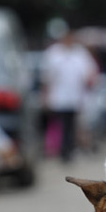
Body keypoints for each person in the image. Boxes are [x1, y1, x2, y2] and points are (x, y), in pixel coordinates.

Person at [40, 28, 98, 163]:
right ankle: (63, 151)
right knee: (61, 124)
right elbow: (46, 77)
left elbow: (89, 73)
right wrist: (45, 95)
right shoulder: (53, 54)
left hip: (75, 96)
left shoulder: (80, 53)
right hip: (59, 96)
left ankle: (69, 150)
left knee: (71, 125)